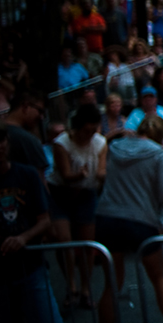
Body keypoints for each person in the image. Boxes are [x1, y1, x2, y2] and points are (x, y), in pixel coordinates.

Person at [94, 114, 163, 323]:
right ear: (161, 137)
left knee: (112, 283)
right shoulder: (158, 155)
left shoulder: (115, 147)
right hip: (140, 220)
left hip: (107, 217)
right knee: (160, 277)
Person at [0, 121, 64, 323]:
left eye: (1, 140)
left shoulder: (26, 174)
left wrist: (23, 238)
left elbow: (45, 219)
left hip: (30, 266)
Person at [47, 103, 107, 309]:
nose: (89, 135)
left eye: (93, 131)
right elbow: (64, 175)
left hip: (86, 193)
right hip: (62, 192)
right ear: (78, 127)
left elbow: (100, 170)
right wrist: (78, 175)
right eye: (86, 131)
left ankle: (85, 288)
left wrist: (104, 176)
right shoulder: (61, 144)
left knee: (87, 244)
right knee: (64, 240)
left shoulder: (100, 143)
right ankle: (70, 285)